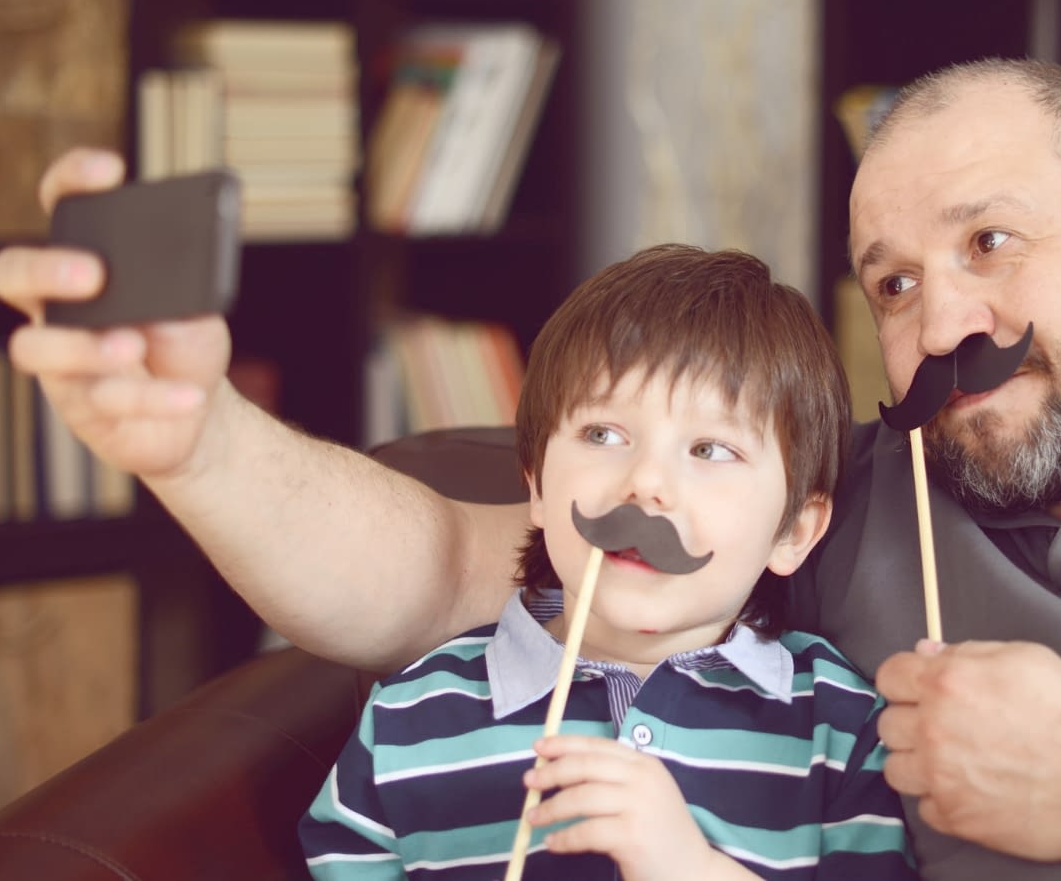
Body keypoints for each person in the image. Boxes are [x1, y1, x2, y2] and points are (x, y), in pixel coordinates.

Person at [0, 56, 1061, 880]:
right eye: (893, 283)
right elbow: (447, 566)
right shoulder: (850, 489)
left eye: (990, 242)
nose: (943, 326)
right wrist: (195, 437)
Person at [297, 244, 915, 879]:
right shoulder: (409, 720)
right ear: (538, 486)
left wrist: (688, 868)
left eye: (710, 449)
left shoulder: (840, 728)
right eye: (603, 435)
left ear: (794, 532)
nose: (645, 483)